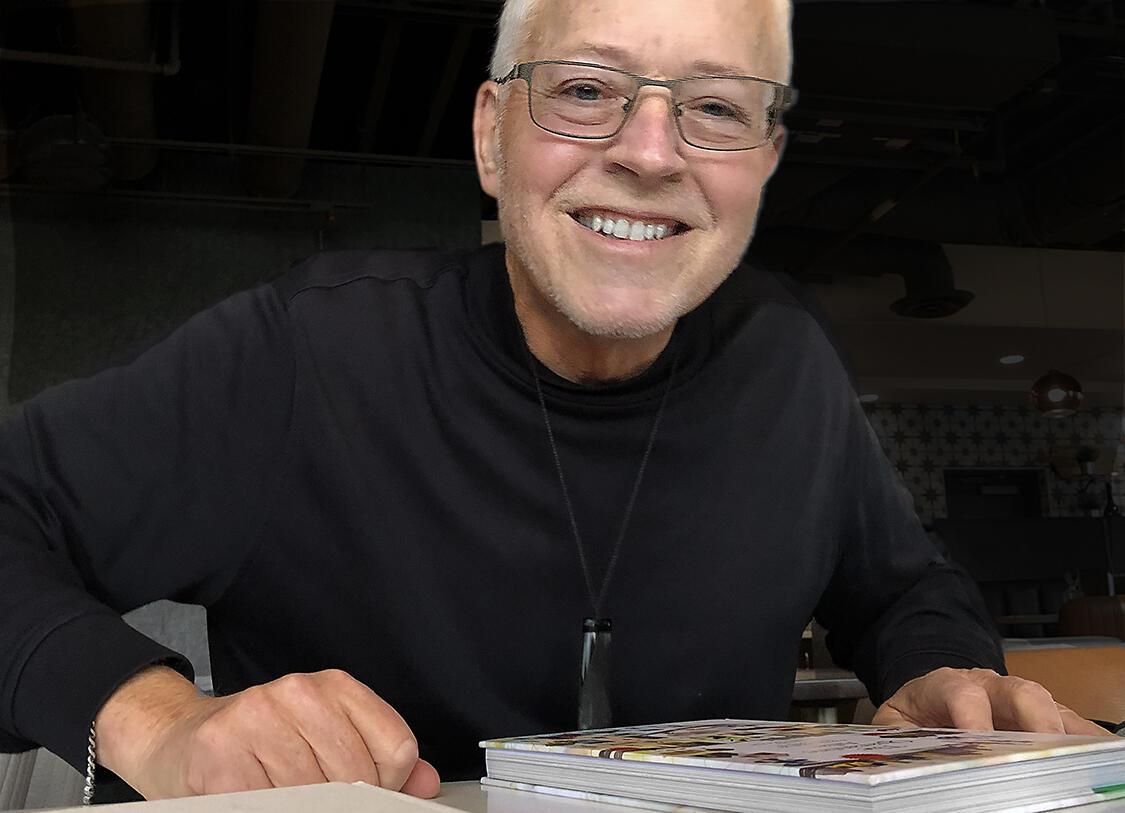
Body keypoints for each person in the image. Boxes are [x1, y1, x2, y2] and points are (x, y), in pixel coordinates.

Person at [0, 0, 1110, 803]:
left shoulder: (786, 357)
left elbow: (903, 583)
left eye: (715, 108)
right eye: (586, 90)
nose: (649, 152)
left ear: (763, 162)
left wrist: (944, 676)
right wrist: (154, 722)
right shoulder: (309, 350)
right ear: (492, 135)